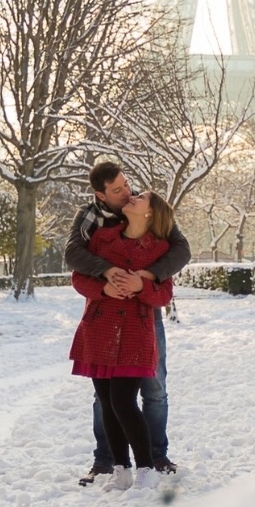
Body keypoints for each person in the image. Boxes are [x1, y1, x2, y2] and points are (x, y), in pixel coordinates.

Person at [65, 161, 191, 483]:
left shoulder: (152, 220)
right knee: (106, 399)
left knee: (154, 389)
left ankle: (155, 457)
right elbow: (74, 258)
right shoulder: (93, 222)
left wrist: (148, 278)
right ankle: (108, 461)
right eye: (118, 190)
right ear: (101, 195)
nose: (128, 193)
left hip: (141, 321)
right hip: (103, 321)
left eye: (127, 185)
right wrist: (105, 278)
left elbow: (181, 250)